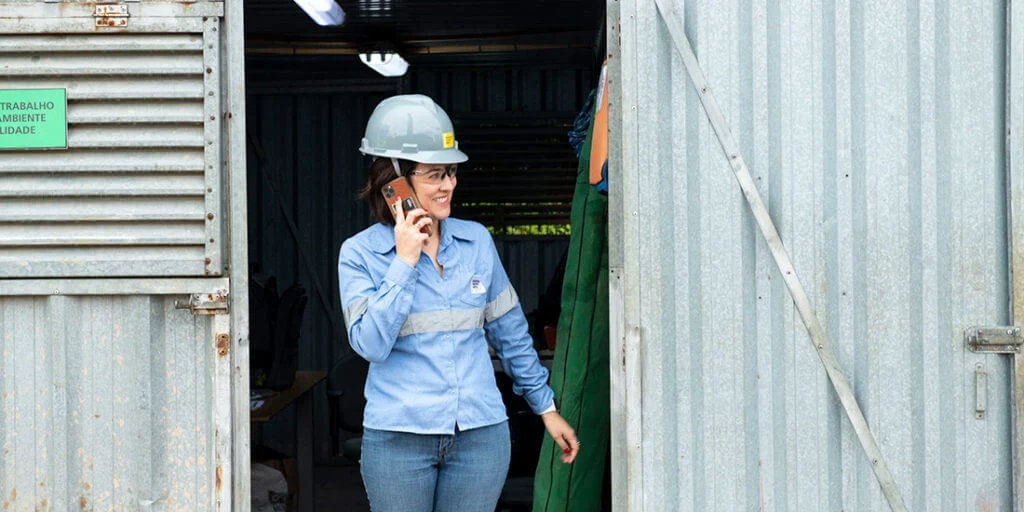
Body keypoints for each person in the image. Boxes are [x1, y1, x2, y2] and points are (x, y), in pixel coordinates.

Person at [337, 94, 580, 512]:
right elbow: (371, 345)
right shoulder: (359, 255)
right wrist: (404, 262)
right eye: (435, 175)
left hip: (480, 437)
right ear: (395, 181)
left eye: (451, 172)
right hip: (398, 441)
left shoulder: (476, 242)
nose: (449, 185)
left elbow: (510, 334)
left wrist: (546, 407)